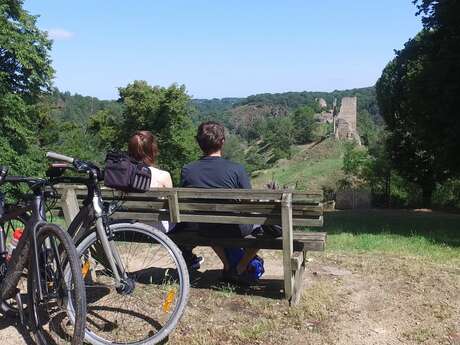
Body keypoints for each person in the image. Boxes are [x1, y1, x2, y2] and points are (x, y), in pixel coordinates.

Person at [175, 121, 261, 281]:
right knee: (267, 227)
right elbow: (251, 201)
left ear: (199, 143)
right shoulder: (236, 169)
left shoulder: (188, 170)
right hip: (236, 229)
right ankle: (241, 267)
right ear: (222, 141)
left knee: (210, 222)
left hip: (204, 228)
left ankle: (228, 265)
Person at [128, 130, 172, 233]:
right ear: (153, 149)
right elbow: (170, 208)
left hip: (131, 225)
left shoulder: (122, 176)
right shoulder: (164, 176)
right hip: (159, 228)